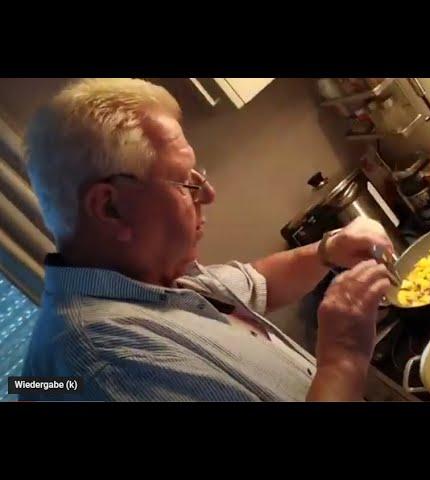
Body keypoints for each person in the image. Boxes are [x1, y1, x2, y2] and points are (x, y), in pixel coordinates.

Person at [20, 78, 394, 401]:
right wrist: (342, 360)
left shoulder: (148, 281)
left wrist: (329, 249)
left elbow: (255, 282)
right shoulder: (105, 363)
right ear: (110, 207)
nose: (208, 194)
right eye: (185, 181)